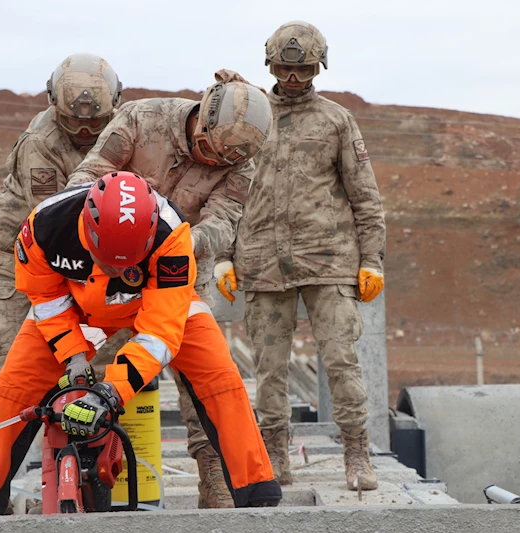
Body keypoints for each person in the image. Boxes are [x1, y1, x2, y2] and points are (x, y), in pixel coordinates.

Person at [0, 173, 282, 516]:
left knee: (220, 377)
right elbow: (46, 297)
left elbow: (161, 332)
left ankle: (255, 487)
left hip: (157, 304)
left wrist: (110, 393)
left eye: (124, 264)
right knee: (14, 384)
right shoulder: (45, 226)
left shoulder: (172, 237)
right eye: (107, 261)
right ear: (88, 229)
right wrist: (73, 355)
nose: (115, 270)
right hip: (77, 306)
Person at [66, 70, 272, 507]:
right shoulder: (142, 121)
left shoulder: (240, 164)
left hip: (180, 276)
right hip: (110, 273)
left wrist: (173, 246)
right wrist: (119, 236)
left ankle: (214, 477)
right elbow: (84, 184)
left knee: (205, 382)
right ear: (203, 117)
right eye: (212, 149)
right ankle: (90, 475)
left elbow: (222, 224)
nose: (218, 161)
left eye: (229, 157)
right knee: (97, 374)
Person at [215, 21, 387, 490]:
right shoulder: (248, 116)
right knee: (269, 370)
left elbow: (365, 196)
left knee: (340, 362)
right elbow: (224, 191)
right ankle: (275, 456)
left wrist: (371, 260)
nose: (293, 78)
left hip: (328, 261)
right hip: (263, 264)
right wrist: (223, 255)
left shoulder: (336, 120)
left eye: (304, 69)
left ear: (319, 68)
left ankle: (357, 454)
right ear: (269, 64)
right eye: (285, 68)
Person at [0, 53, 123, 435]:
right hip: (18, 257)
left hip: (85, 257)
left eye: (95, 122)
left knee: (96, 363)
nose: (85, 131)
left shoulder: (124, 130)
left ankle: (82, 473)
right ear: (53, 103)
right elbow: (52, 224)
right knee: (7, 368)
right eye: (74, 121)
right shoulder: (40, 142)